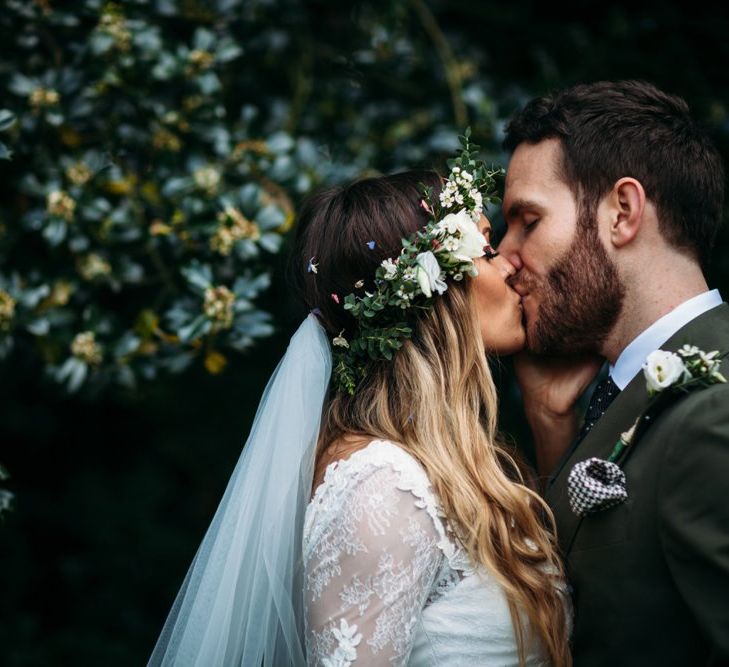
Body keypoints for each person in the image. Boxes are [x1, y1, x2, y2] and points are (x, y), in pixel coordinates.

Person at [149, 143, 573, 665]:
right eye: (484, 252)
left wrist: (550, 422)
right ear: (432, 292)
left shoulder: (449, 470)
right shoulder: (383, 487)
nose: (510, 264)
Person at [499, 80, 729, 666]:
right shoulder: (609, 395)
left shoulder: (713, 417)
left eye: (527, 220)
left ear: (621, 213)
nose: (504, 255)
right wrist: (551, 422)